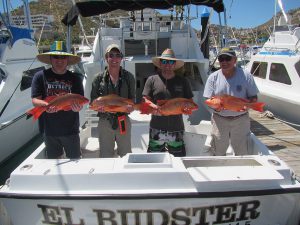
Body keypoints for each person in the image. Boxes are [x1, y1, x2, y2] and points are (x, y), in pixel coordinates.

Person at [31, 40, 84, 159]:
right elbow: (35, 100)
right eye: (56, 57)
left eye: (63, 57)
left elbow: (80, 102)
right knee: (53, 164)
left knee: (74, 160)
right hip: (50, 132)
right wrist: (46, 105)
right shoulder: (40, 76)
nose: (59, 60)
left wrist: (77, 108)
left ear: (67, 60)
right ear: (50, 58)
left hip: (71, 131)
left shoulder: (75, 78)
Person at [203, 47, 259, 156]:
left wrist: (248, 106)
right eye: (221, 59)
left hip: (241, 119)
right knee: (218, 151)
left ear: (235, 60)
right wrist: (215, 108)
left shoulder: (246, 76)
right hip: (219, 119)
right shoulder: (212, 77)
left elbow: (253, 97)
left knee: (242, 151)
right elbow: (207, 99)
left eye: (227, 58)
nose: (224, 62)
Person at [142, 48, 193, 157]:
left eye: (171, 62)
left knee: (178, 158)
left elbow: (190, 101)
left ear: (174, 64)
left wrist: (187, 110)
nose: (167, 64)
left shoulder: (183, 81)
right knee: (154, 160)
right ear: (160, 64)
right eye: (164, 61)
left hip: (176, 128)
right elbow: (145, 99)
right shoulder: (152, 79)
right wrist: (154, 107)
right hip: (156, 127)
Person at [90, 44, 136, 158]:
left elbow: (132, 100)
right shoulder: (98, 78)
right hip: (104, 120)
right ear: (106, 58)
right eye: (111, 55)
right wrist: (97, 107)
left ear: (121, 58)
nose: (114, 58)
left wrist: (131, 107)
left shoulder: (129, 77)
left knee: (126, 154)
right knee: (105, 155)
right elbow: (92, 102)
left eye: (118, 55)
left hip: (123, 120)